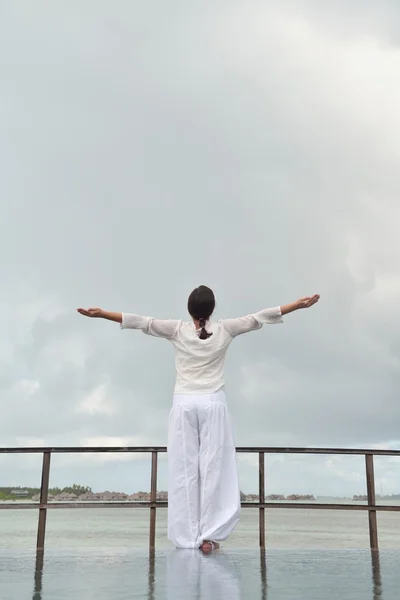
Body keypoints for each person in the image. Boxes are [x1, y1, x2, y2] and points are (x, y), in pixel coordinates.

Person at [77, 286, 319, 553]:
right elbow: (257, 317)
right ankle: (210, 535)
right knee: (215, 467)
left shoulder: (177, 329)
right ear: (212, 310)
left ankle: (187, 536)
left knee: (183, 471)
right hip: (213, 403)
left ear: (189, 309)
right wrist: (296, 305)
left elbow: (142, 322)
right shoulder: (225, 328)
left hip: (183, 405)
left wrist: (102, 314)